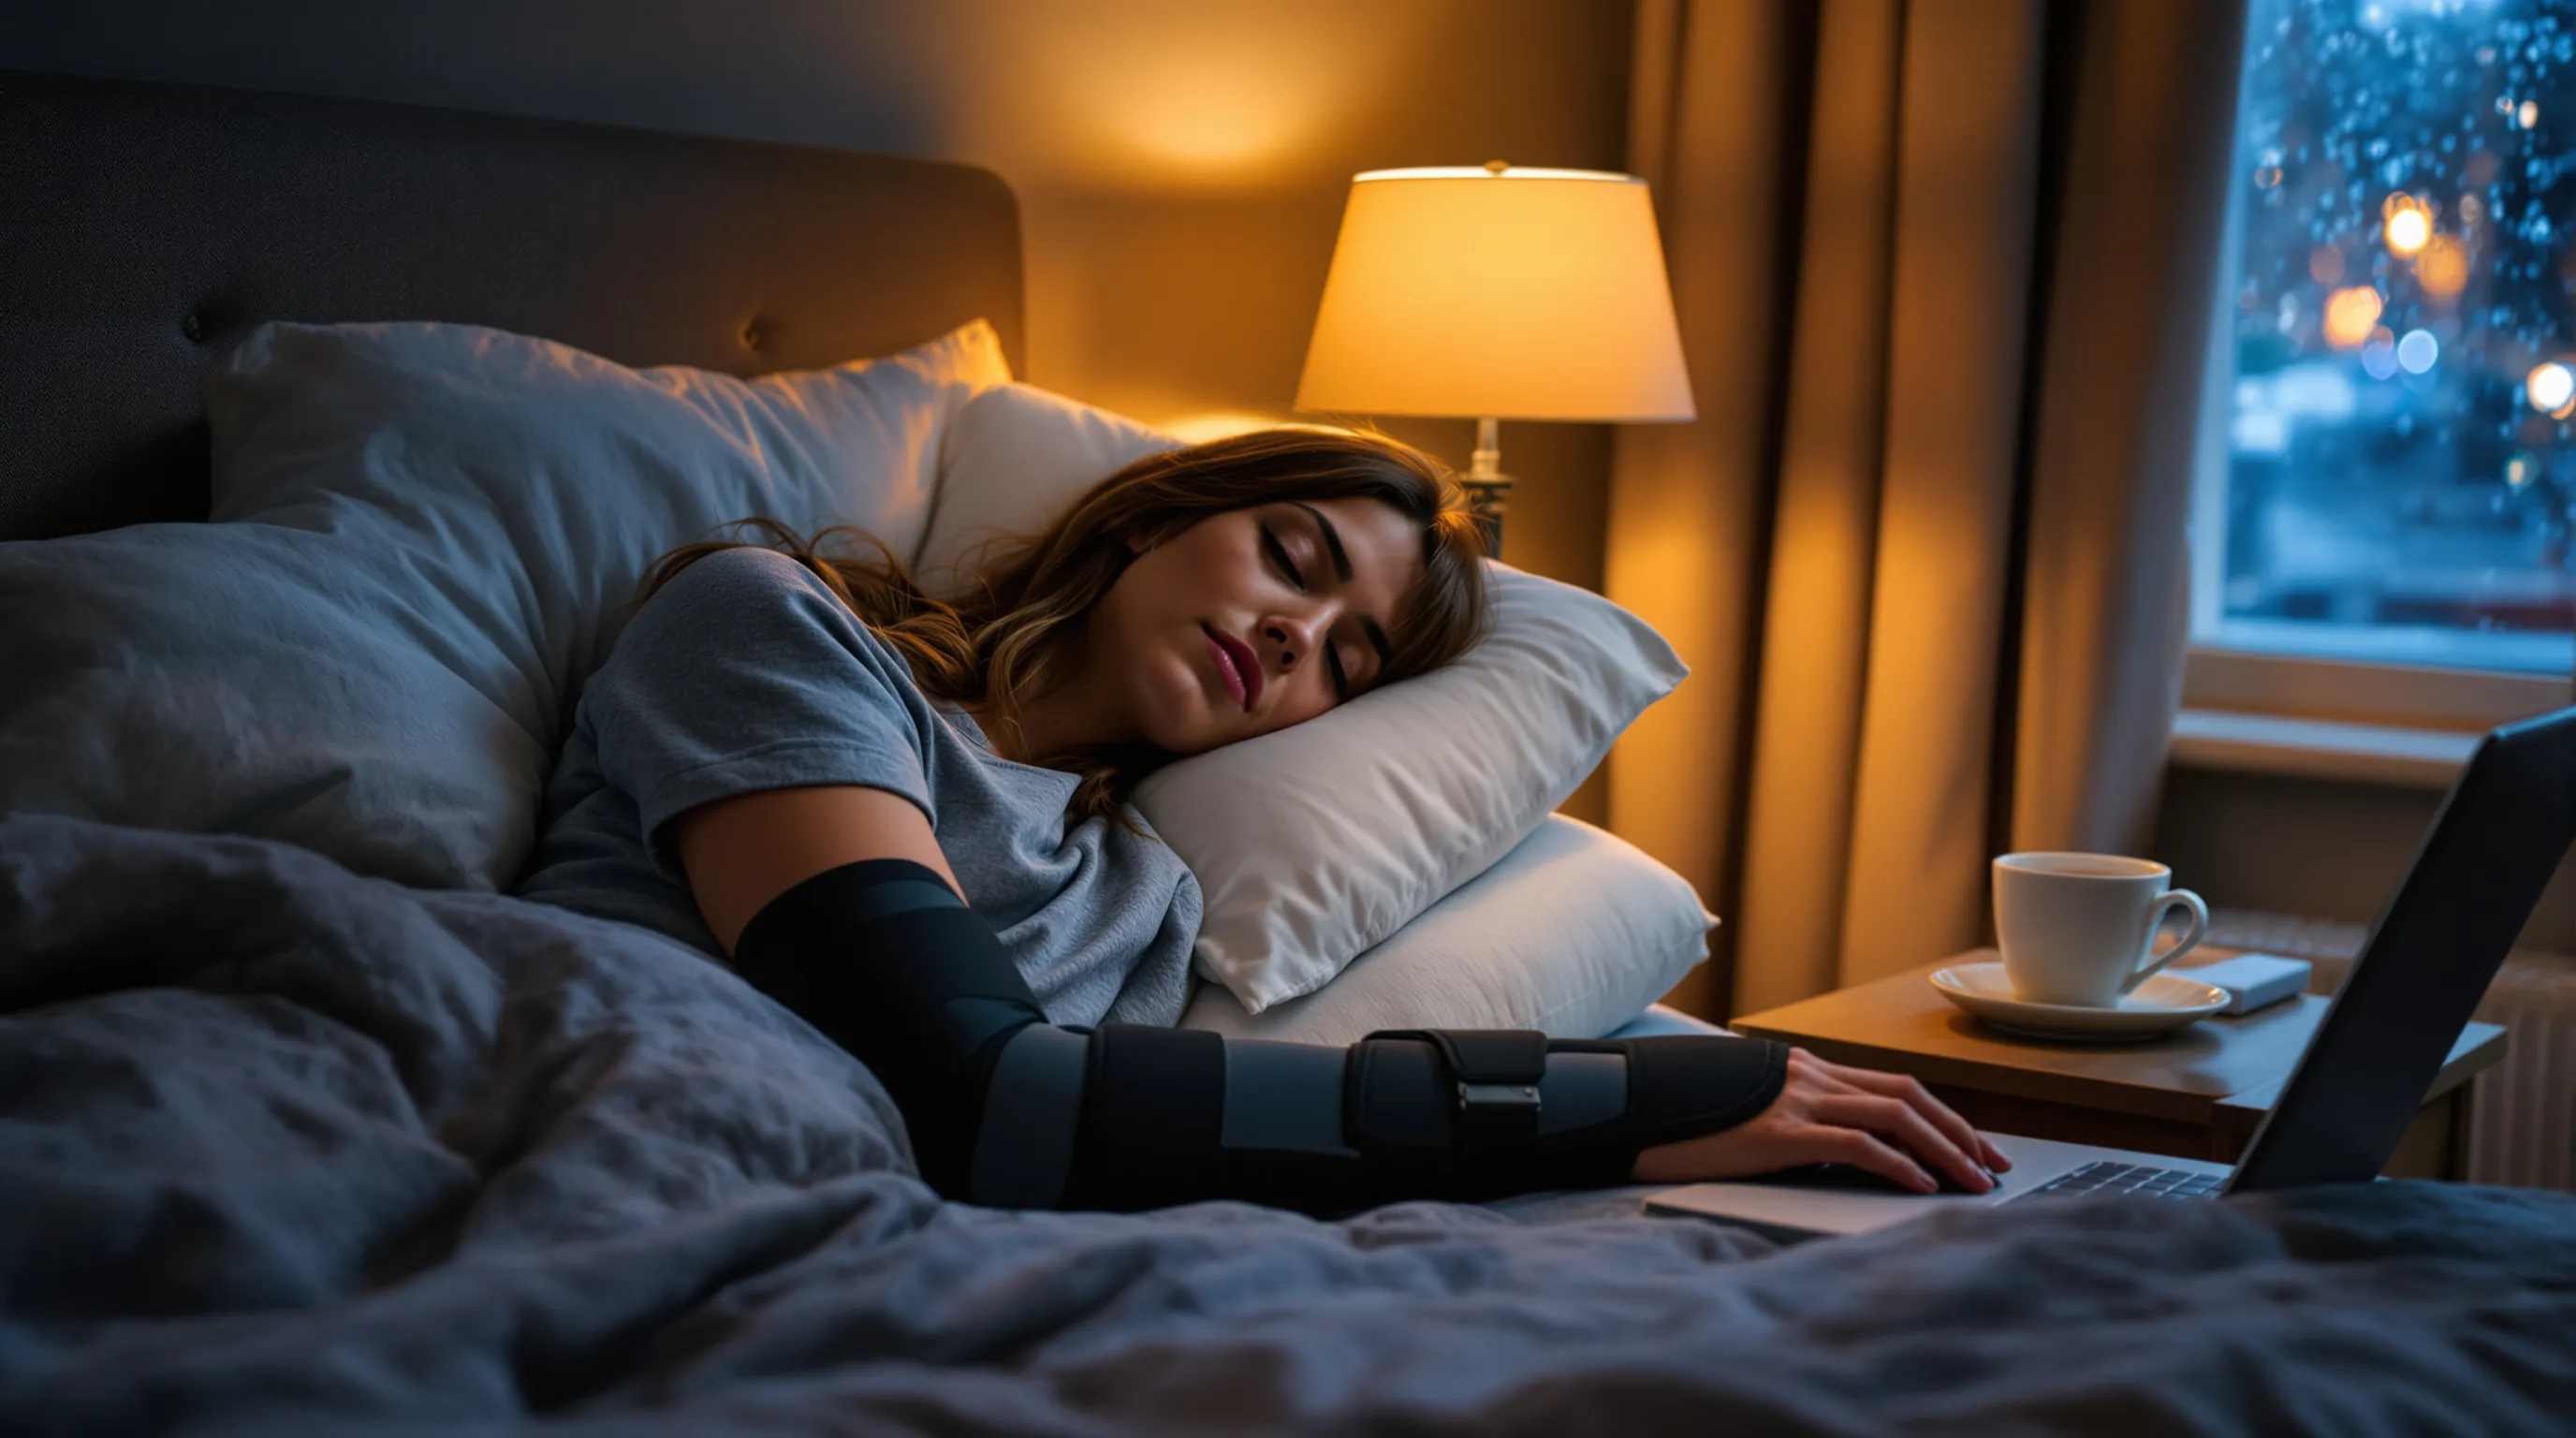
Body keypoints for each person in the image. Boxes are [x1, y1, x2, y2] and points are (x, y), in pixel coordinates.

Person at [517, 427, 2008, 1213]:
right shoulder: (772, 629)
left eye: (1351, 658)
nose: (1299, 637)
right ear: (1150, 519)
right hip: (598, 1114)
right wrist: (1637, 1111)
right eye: (1291, 560)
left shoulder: (1148, 893)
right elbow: (984, 1096)